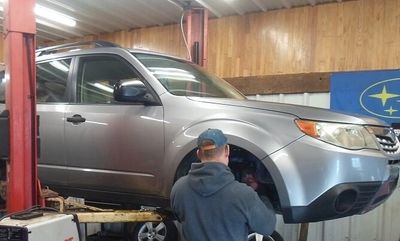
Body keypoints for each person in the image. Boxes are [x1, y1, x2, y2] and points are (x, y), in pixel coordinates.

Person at [170, 128, 276, 241]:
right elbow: (267, 227)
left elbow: (180, 217)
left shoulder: (179, 188)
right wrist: (260, 192)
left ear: (198, 154)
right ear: (227, 150)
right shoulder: (244, 195)